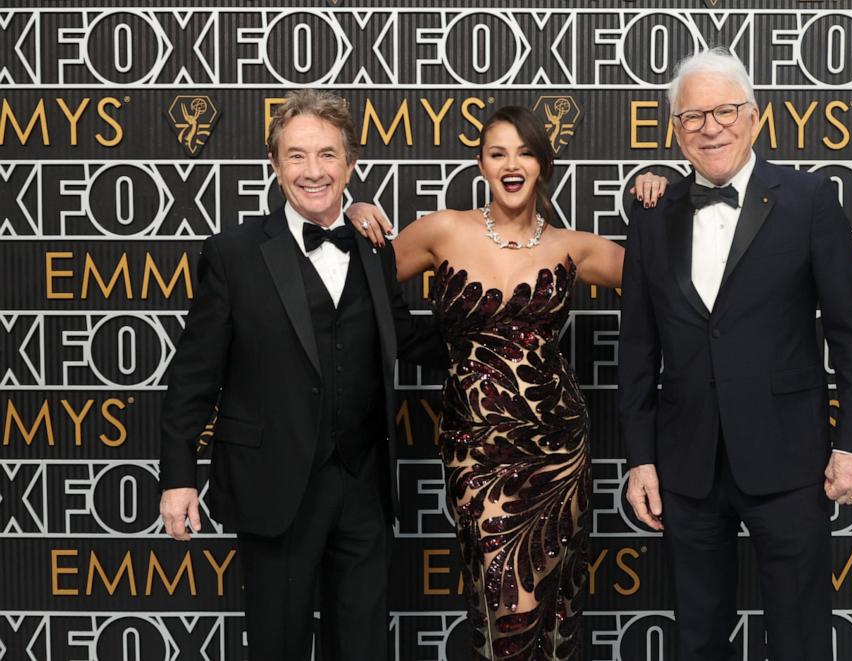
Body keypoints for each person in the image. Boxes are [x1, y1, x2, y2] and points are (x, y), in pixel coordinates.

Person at [349, 105, 666, 659]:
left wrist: (664, 195)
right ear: (481, 164)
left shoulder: (575, 247)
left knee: (554, 608)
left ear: (543, 163)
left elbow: (670, 282)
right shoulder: (443, 230)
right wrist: (347, 213)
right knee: (501, 600)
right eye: (498, 153)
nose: (511, 164)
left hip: (558, 450)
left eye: (524, 152)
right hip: (476, 452)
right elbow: (353, 284)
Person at [158, 89, 444, 661]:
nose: (313, 171)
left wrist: (497, 325)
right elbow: (194, 373)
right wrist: (178, 476)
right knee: (278, 644)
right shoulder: (234, 253)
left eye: (327, 155)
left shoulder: (375, 248)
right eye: (296, 156)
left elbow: (405, 337)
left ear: (351, 164)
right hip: (274, 482)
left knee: (363, 646)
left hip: (363, 483)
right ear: (274, 165)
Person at [617, 48, 852, 661]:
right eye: (693, 117)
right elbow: (636, 350)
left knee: (800, 635)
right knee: (698, 635)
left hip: (792, 462)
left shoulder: (809, 200)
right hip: (686, 466)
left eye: (726, 111)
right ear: (676, 130)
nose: (711, 127)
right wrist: (641, 461)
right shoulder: (651, 215)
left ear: (755, 117)